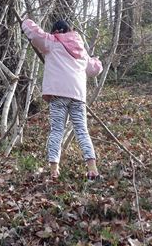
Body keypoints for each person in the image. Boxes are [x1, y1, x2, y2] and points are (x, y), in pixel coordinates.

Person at [21, 18, 103, 180]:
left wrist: (24, 20)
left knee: (57, 131)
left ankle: (54, 170)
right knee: (82, 131)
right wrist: (97, 60)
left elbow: (35, 33)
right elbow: (94, 69)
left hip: (58, 95)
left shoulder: (52, 42)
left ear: (57, 32)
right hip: (78, 97)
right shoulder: (81, 50)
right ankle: (92, 168)